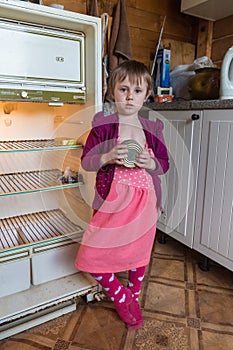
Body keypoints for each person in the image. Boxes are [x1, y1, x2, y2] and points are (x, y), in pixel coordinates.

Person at [75, 60, 169, 330]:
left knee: (138, 254)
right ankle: (121, 296)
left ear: (147, 95)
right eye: (123, 89)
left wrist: (149, 163)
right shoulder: (103, 126)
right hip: (113, 204)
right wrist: (106, 156)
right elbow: (87, 161)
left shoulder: (153, 130)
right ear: (111, 91)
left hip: (145, 203)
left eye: (137, 91)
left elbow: (163, 164)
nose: (130, 96)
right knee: (92, 256)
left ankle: (134, 297)